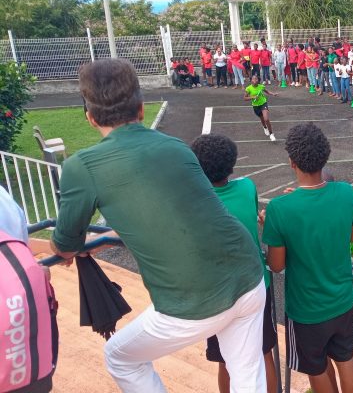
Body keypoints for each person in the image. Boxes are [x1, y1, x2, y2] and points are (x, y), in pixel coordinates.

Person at [51, 59, 267, 392]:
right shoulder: (175, 147)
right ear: (140, 109)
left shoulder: (82, 166)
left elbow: (65, 245)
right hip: (248, 276)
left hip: (192, 300)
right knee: (247, 374)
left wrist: (73, 246)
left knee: (120, 357)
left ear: (90, 117)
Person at [262, 123, 353, 393]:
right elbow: (352, 238)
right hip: (342, 300)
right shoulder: (346, 192)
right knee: (346, 357)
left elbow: (276, 265)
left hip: (306, 311)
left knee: (315, 367)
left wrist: (271, 228)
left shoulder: (279, 209)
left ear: (291, 162)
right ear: (324, 157)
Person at [189, 134, 279, 393]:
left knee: (225, 359)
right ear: (231, 164)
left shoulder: (193, 203)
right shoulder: (247, 187)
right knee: (263, 352)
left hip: (217, 292)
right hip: (255, 285)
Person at [245, 74, 279, 142]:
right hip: (255, 106)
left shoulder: (261, 87)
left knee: (266, 119)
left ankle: (271, 134)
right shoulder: (248, 88)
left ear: (258, 80)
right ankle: (265, 127)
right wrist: (253, 97)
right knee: (262, 119)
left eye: (256, 79)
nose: (254, 80)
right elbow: (245, 98)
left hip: (263, 103)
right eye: (253, 79)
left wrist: (273, 94)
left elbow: (267, 92)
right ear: (251, 80)